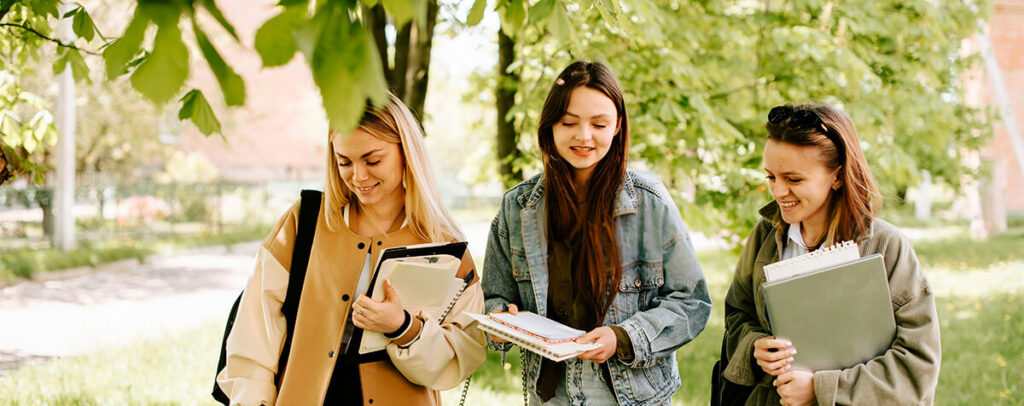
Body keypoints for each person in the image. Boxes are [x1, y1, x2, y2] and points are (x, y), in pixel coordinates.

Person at [216, 94, 486, 405]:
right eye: (344, 162)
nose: (358, 176)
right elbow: (255, 328)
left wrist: (403, 327)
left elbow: (464, 352)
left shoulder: (444, 244)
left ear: (406, 152)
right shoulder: (304, 221)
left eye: (373, 160)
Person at [482, 61, 712, 406]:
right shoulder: (517, 207)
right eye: (569, 123)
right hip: (549, 398)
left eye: (599, 124)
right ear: (550, 128)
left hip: (633, 399)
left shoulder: (650, 203)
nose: (584, 136)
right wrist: (500, 318)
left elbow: (692, 302)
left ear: (618, 125)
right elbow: (493, 300)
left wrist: (623, 338)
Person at [718, 104, 941, 405]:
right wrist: (755, 347)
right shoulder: (765, 235)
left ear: (837, 176)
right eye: (771, 177)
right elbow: (737, 315)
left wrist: (822, 389)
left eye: (793, 179)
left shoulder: (888, 247)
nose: (778, 191)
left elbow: (917, 364)